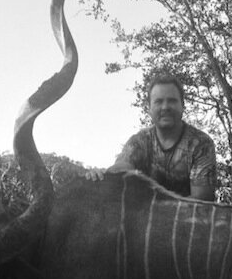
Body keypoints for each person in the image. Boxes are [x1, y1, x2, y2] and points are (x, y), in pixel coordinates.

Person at [86, 74, 217, 201]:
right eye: (159, 102)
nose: (165, 107)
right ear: (149, 108)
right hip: (145, 219)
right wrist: (104, 174)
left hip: (187, 219)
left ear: (182, 105)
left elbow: (202, 200)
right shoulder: (139, 141)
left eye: (172, 101)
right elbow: (122, 167)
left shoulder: (200, 143)